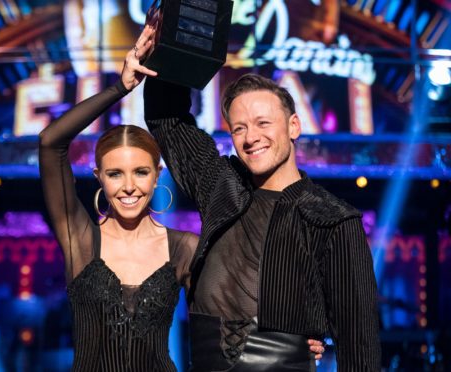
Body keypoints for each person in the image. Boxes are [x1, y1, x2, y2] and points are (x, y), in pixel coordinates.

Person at [143, 57, 381, 370]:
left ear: (294, 126)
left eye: (263, 123)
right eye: (239, 127)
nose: (251, 137)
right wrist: (170, 40)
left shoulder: (333, 219)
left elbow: (359, 347)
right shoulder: (220, 185)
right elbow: (167, 117)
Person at [38, 27, 199, 371]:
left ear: (157, 175)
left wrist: (295, 339)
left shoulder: (184, 248)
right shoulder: (80, 238)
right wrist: (120, 88)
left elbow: (227, 321)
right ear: (99, 178)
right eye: (115, 174)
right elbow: (51, 142)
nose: (129, 187)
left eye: (141, 172)